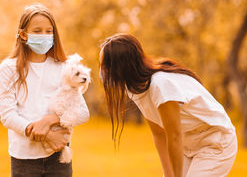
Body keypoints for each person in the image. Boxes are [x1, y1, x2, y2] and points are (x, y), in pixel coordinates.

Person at [99, 33, 237, 177]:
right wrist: (168, 174)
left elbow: (174, 136)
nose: (102, 72)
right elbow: (159, 134)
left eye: (105, 66)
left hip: (215, 142)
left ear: (121, 66)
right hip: (188, 145)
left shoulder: (161, 85)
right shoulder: (134, 89)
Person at [0, 4, 90, 177]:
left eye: (49, 31)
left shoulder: (64, 67)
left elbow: (83, 112)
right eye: (37, 31)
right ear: (24, 35)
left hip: (58, 158)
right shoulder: (8, 69)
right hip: (24, 159)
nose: (45, 36)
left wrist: (49, 120)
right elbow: (8, 115)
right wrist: (47, 135)